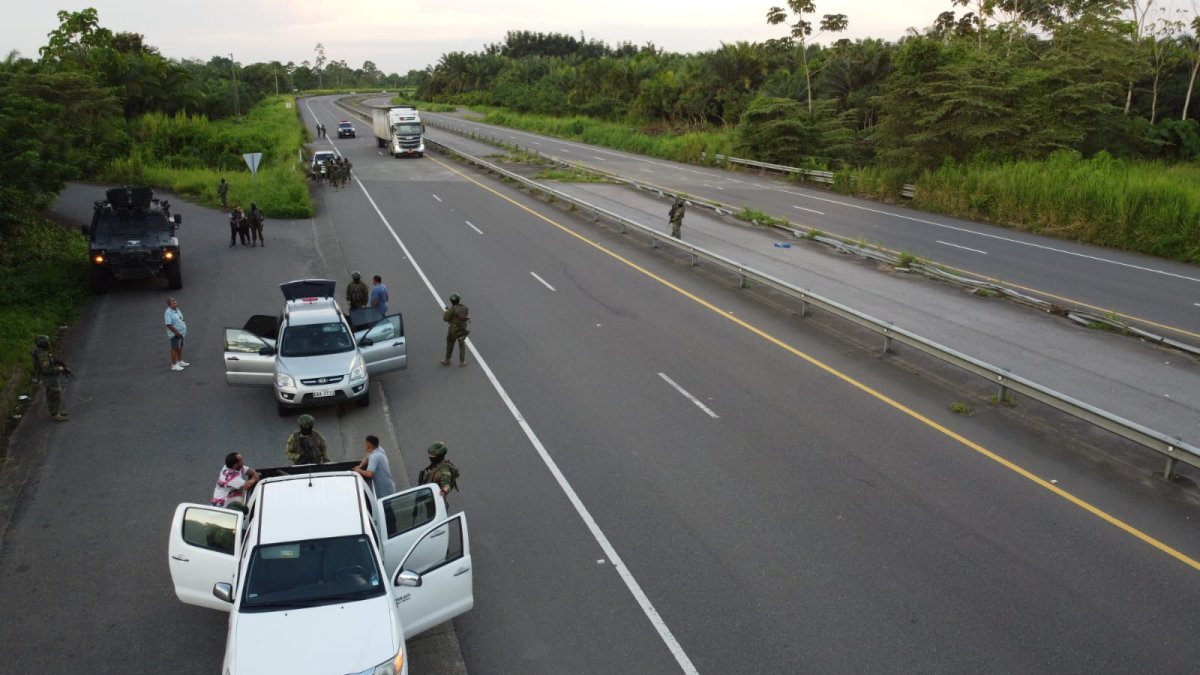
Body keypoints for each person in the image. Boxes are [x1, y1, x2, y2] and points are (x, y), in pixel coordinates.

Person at [30, 335, 69, 422]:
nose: (49, 343)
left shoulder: (41, 352)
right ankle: (55, 414)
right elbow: (46, 369)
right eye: (47, 342)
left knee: (54, 394)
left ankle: (56, 411)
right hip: (49, 378)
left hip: (50, 378)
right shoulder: (42, 355)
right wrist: (58, 369)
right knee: (53, 395)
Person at [440, 293, 470, 367]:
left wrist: (446, 312)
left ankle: (447, 360)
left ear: (452, 301)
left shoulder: (453, 308)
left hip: (454, 330)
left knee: (450, 343)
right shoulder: (464, 307)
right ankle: (462, 362)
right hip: (462, 328)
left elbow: (446, 318)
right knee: (462, 344)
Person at [164, 297, 189, 371]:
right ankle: (174, 365)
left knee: (179, 347)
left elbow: (181, 318)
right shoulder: (168, 313)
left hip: (181, 332)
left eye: (175, 302)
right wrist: (176, 332)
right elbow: (168, 324)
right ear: (169, 305)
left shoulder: (177, 309)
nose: (175, 304)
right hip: (175, 334)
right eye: (173, 303)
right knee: (174, 348)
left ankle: (179, 361)